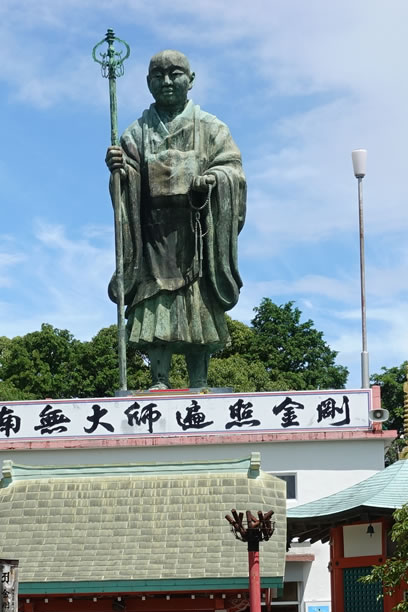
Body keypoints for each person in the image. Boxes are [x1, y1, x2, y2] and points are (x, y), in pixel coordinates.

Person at [105, 49, 245, 390]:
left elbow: (232, 171)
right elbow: (128, 181)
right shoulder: (136, 133)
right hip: (153, 236)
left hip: (197, 234)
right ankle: (159, 378)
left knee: (198, 307)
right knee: (156, 305)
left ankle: (200, 379)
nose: (166, 81)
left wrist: (213, 180)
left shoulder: (212, 128)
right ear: (148, 82)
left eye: (175, 73)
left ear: (191, 79)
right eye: (158, 75)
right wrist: (120, 171)